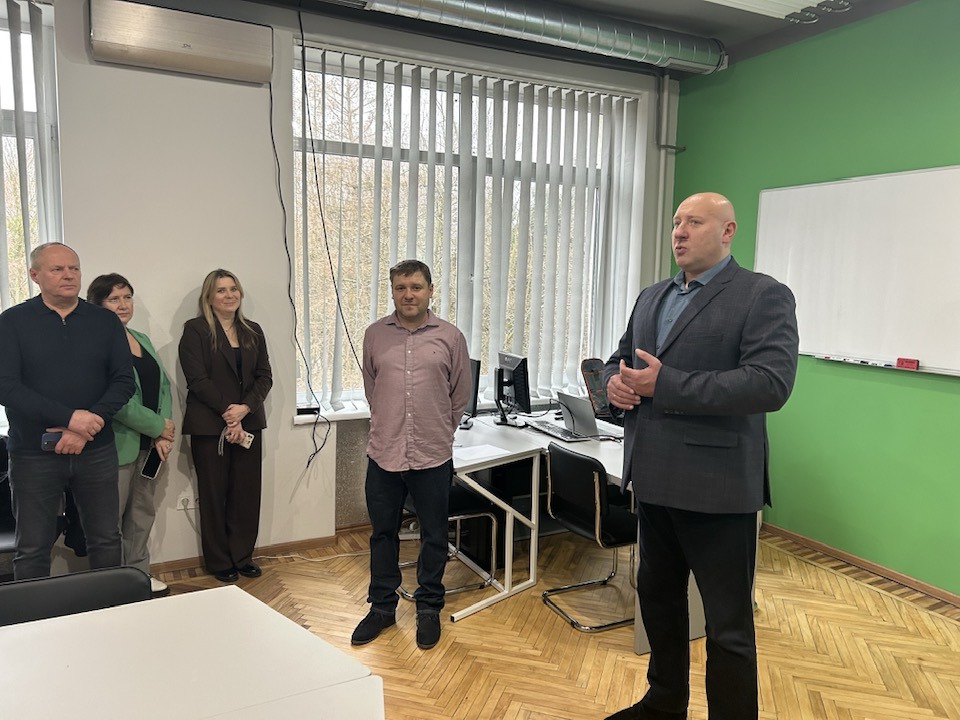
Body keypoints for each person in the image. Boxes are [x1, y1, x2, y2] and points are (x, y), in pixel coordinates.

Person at [603, 193, 799, 720]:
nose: (680, 231)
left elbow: (769, 384)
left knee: (727, 625)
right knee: (659, 602)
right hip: (652, 478)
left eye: (694, 221)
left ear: (728, 231)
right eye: (676, 222)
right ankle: (663, 702)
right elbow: (620, 360)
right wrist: (614, 385)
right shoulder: (652, 296)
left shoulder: (763, 295)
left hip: (717, 488)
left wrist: (665, 384)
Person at [351, 259, 471, 651]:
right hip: (384, 452)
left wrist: (440, 430)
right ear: (392, 291)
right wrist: (391, 424)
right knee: (382, 534)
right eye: (400, 287)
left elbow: (459, 395)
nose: (408, 294)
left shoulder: (451, 337)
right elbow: (372, 388)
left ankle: (428, 607)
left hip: (432, 455)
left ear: (430, 290)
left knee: (434, 535)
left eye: (416, 287)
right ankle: (382, 608)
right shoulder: (374, 335)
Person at [0, 243, 135, 580]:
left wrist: (87, 425)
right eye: (57, 269)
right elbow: (6, 387)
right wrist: (71, 418)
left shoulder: (104, 321)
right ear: (34, 275)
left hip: (96, 449)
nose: (68, 275)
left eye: (74, 268)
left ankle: (110, 607)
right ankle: (35, 614)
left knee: (106, 540)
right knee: (32, 547)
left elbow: (123, 381)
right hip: (33, 453)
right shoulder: (12, 322)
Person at [178, 269, 272, 583]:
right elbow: (197, 379)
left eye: (233, 289)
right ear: (209, 297)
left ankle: (242, 556)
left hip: (249, 423)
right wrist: (229, 413)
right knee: (214, 494)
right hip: (210, 426)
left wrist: (244, 409)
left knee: (246, 494)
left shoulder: (253, 330)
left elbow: (264, 376)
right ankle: (219, 561)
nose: (229, 295)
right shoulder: (195, 330)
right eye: (221, 290)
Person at [87, 274, 174, 597]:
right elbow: (116, 401)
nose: (123, 304)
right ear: (97, 305)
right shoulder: (95, 344)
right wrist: (157, 426)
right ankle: (110, 585)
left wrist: (164, 431)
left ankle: (138, 577)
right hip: (117, 445)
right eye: (114, 299)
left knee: (141, 516)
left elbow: (163, 387)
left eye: (127, 297)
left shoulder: (141, 338)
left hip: (151, 447)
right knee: (110, 523)